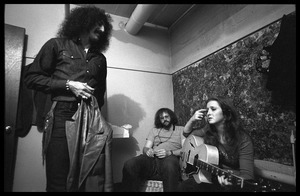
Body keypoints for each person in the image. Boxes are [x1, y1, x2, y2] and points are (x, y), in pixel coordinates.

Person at [24, 6, 113, 192]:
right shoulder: (56, 45)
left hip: (91, 118)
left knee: (87, 175)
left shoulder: (100, 59)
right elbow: (31, 78)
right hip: (62, 114)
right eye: (98, 24)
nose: (103, 29)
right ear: (84, 22)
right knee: (59, 177)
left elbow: (100, 96)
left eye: (104, 26)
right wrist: (68, 85)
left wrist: (102, 121)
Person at [178, 96, 254, 192]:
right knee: (184, 186)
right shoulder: (207, 130)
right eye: (207, 110)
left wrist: (231, 182)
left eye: (213, 109)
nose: (208, 113)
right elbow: (187, 135)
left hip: (230, 182)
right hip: (210, 177)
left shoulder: (243, 139)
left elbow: (248, 176)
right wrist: (192, 120)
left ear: (226, 114)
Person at [121, 108, 185, 192]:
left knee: (170, 164)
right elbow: (146, 147)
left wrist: (169, 152)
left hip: (169, 158)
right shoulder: (154, 130)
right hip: (152, 160)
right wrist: (147, 151)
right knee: (129, 164)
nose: (164, 119)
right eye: (161, 118)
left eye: (166, 116)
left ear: (171, 117)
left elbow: (185, 150)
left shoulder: (181, 130)